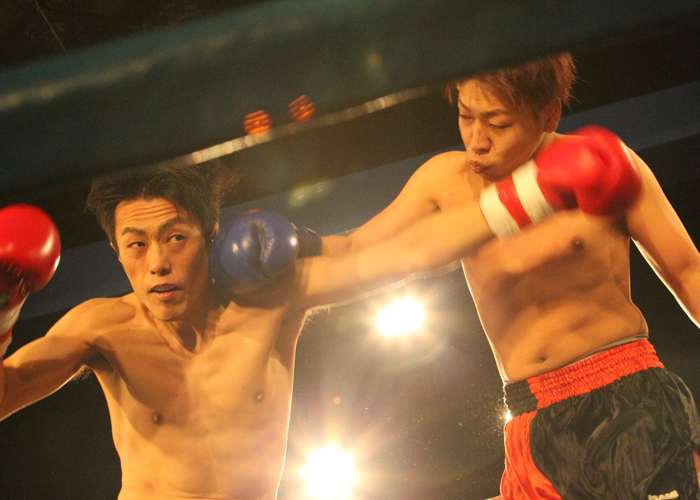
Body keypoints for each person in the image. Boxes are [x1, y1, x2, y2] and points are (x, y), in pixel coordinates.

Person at [0, 115, 650, 499]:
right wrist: (4, 309)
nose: (157, 263)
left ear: (210, 235)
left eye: (175, 238)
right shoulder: (102, 329)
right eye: (136, 245)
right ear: (117, 252)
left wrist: (538, 190)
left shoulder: (266, 301)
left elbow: (397, 256)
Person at [314, 53, 700, 497]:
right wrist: (293, 249)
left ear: (549, 115)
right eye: (465, 116)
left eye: (498, 124)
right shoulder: (443, 182)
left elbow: (689, 271)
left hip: (626, 399)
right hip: (529, 414)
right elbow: (356, 252)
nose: (477, 141)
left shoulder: (601, 163)